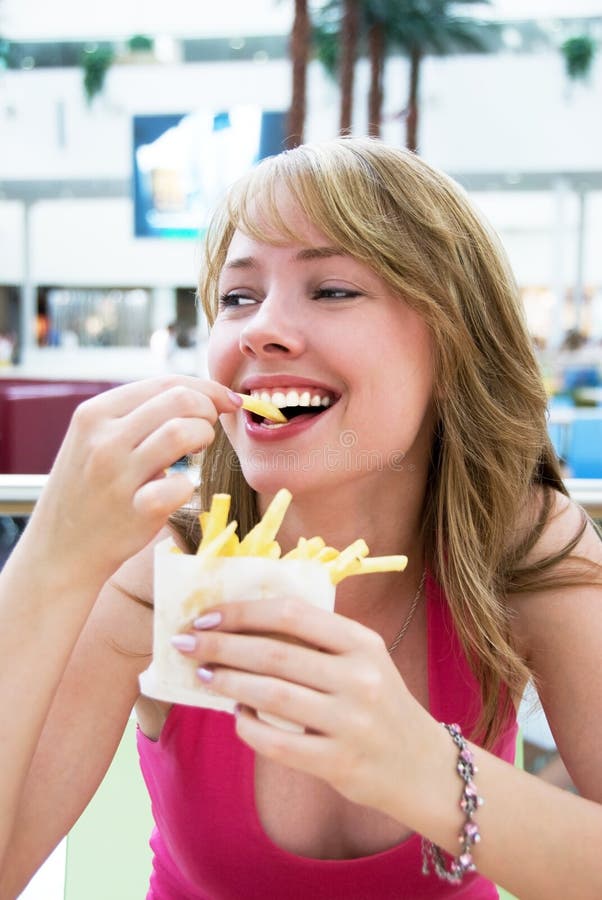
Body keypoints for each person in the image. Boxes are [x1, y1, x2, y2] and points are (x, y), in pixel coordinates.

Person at [0, 137, 601, 899]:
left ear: (455, 347)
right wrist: (50, 558)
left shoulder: (518, 541)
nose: (258, 329)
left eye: (333, 290)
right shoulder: (164, 563)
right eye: (238, 297)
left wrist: (419, 765)